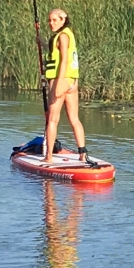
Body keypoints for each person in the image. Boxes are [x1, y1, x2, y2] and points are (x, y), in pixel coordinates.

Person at [43, 9, 88, 164]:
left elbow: (64, 61)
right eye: (49, 20)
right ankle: (82, 153)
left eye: (55, 20)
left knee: (52, 120)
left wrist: (59, 82)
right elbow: (57, 54)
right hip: (72, 82)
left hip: (61, 80)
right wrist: (42, 43)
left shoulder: (62, 36)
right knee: (74, 118)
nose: (51, 23)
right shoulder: (67, 34)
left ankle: (49, 156)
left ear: (63, 20)